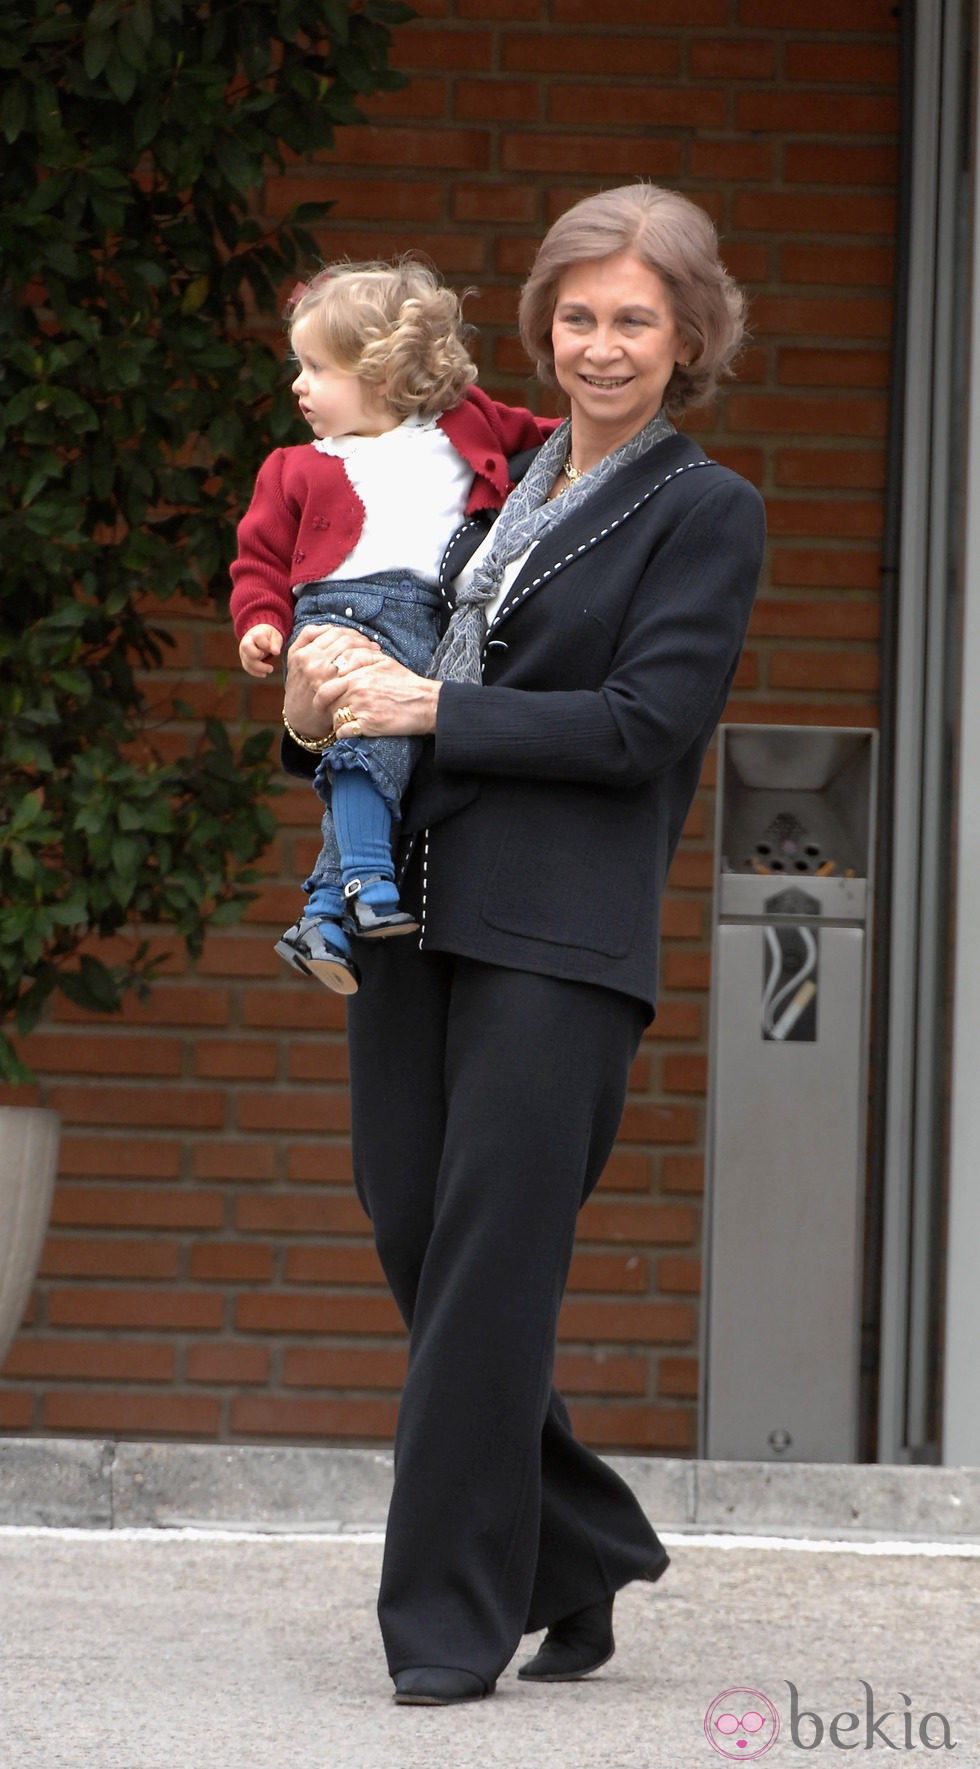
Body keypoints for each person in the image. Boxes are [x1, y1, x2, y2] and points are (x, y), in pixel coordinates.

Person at [280, 184, 767, 1706]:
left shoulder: (706, 510)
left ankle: (442, 1622)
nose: (601, 345)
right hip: (412, 908)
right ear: (541, 326)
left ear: (689, 336)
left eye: (635, 318)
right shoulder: (484, 490)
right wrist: (317, 700)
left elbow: (644, 726)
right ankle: (584, 1542)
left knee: (491, 1268)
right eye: (577, 316)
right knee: (414, 1232)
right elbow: (383, 674)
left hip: (561, 934)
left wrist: (436, 707)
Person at [230, 260, 557, 992]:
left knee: (399, 760)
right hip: (338, 616)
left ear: (381, 374)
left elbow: (552, 442)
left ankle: (320, 909)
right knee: (371, 739)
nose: (297, 384)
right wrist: (259, 621)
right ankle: (370, 887)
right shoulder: (293, 467)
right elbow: (257, 559)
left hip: (429, 622)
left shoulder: (463, 425)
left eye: (316, 367)